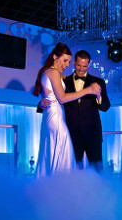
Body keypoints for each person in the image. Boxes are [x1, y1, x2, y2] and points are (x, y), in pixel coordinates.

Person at [33, 43, 100, 177]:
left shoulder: (53, 73)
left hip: (55, 118)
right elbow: (62, 98)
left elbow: (55, 90)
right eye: (65, 60)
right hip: (56, 120)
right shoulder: (53, 72)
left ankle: (53, 188)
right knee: (61, 154)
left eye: (69, 62)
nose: (67, 65)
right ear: (54, 57)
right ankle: (59, 189)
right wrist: (88, 90)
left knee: (55, 153)